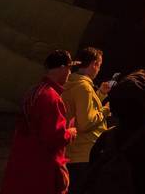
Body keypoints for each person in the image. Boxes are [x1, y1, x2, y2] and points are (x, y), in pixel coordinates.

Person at [1, 50, 78, 194]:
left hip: (23, 162)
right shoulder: (51, 97)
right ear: (62, 68)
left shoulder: (33, 92)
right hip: (44, 167)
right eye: (69, 68)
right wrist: (70, 132)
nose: (69, 73)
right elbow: (54, 137)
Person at [62, 47, 110, 193]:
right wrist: (106, 109)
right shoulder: (84, 87)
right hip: (86, 153)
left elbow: (82, 110)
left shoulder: (71, 82)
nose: (98, 70)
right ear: (94, 64)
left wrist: (100, 94)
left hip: (73, 151)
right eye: (99, 65)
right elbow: (85, 123)